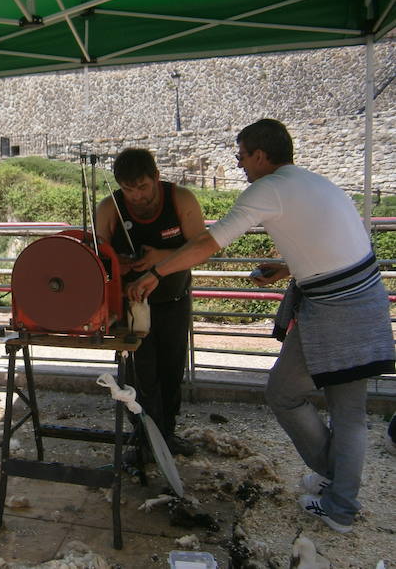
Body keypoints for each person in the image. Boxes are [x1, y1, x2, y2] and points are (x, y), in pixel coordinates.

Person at [126, 119, 395, 533]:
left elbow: (208, 242)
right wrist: (289, 267)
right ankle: (339, 487)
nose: (240, 165)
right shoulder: (313, 182)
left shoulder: (268, 188)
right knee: (349, 413)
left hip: (335, 307)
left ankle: (340, 500)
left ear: (261, 155)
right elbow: (338, 242)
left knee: (291, 397)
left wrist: (158, 272)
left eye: (241, 156)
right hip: (363, 298)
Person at [95, 148, 206, 459]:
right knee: (140, 374)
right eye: (128, 189)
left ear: (157, 177)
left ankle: (166, 436)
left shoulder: (180, 200)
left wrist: (162, 259)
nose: (137, 197)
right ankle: (143, 436)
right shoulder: (109, 208)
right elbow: (99, 259)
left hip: (174, 299)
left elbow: (201, 245)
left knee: (172, 371)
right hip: (132, 307)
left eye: (142, 187)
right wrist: (120, 264)